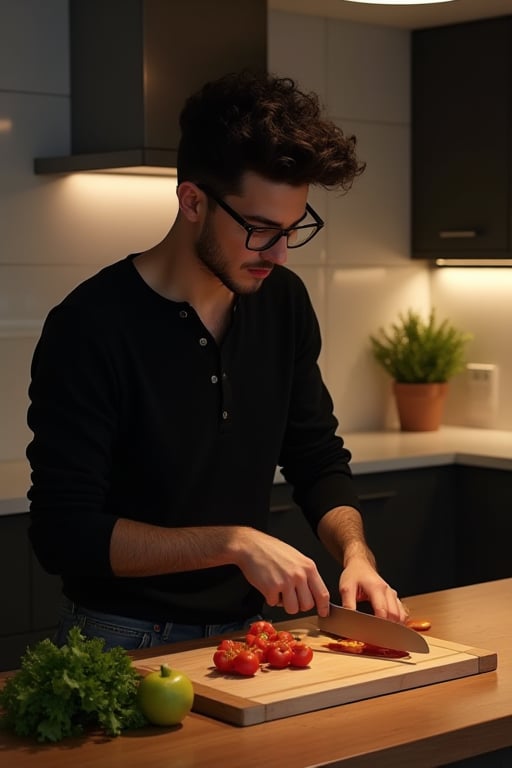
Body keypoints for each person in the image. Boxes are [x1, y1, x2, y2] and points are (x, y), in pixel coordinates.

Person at [26, 71, 408, 652]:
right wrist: (233, 542)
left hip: (245, 636)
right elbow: (64, 534)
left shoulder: (283, 302)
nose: (278, 254)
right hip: (118, 639)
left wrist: (357, 555)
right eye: (259, 230)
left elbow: (315, 456)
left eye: (292, 229)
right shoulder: (91, 325)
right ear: (192, 201)